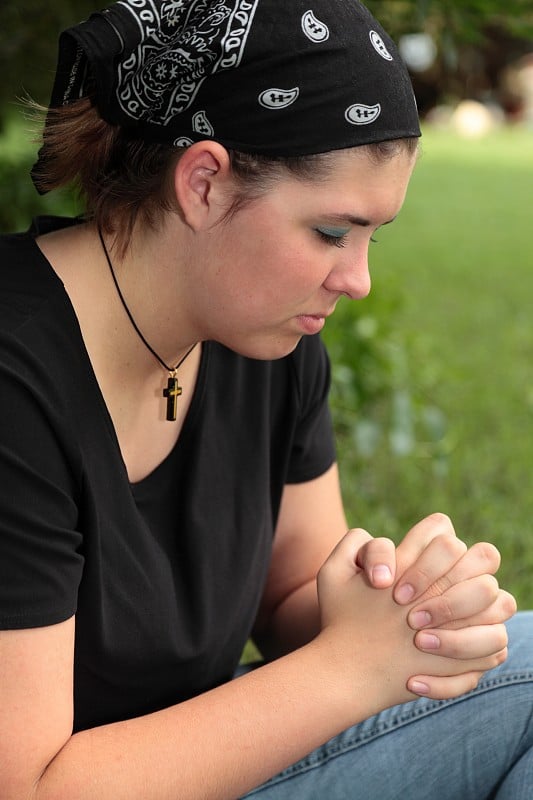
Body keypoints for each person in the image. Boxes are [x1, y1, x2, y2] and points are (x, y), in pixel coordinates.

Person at [0, 1, 530, 798]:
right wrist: (352, 668)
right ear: (204, 183)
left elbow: (292, 594)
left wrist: (412, 615)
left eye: (369, 237)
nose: (356, 281)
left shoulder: (265, 341)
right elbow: (30, 784)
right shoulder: (15, 377)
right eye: (329, 233)